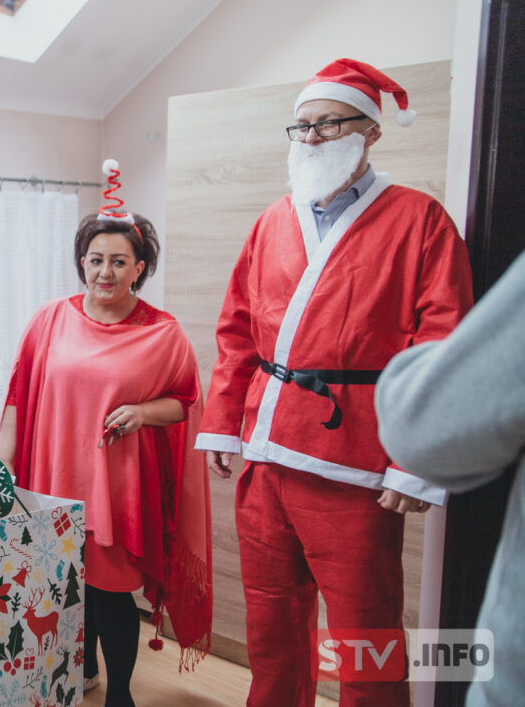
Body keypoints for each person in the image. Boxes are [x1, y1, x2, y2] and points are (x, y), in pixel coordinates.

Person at [196, 59, 474, 706]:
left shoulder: (419, 219)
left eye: (328, 123)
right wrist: (221, 423)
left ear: (370, 130)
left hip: (356, 470)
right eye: (302, 127)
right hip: (265, 457)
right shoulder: (273, 220)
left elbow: (442, 346)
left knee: (364, 639)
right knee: (271, 626)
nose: (312, 138)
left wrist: (417, 460)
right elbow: (236, 329)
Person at [0, 160, 212, 707]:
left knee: (111, 592)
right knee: (65, 588)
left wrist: (142, 412)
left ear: (140, 267)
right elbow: (19, 396)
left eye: (119, 262)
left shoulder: (164, 333)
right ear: (82, 263)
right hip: (52, 477)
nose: (106, 272)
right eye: (96, 260)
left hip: (116, 486)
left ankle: (120, 694)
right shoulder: (50, 319)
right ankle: (80, 670)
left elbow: (184, 403)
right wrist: (4, 476)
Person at [376, 251, 525, 707]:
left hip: (370, 467)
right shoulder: (272, 225)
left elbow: (425, 420)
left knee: (364, 625)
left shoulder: (419, 221)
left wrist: (407, 471)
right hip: (272, 450)